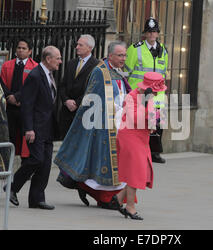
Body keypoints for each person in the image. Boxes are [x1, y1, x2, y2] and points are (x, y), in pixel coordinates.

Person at [54, 41, 132, 210]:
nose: (123, 58)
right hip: (102, 125)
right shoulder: (100, 72)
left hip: (119, 124)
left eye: (124, 55)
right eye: (120, 55)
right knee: (103, 162)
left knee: (119, 162)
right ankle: (103, 197)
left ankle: (112, 196)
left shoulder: (119, 72)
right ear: (110, 55)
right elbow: (93, 98)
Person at [7, 46, 61, 210]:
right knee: (37, 159)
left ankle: (37, 199)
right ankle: (12, 187)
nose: (60, 61)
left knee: (45, 165)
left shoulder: (49, 74)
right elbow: (27, 105)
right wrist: (29, 129)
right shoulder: (35, 75)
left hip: (48, 127)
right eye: (57, 58)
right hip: (36, 127)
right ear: (48, 59)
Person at [116, 72, 166, 220]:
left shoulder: (150, 98)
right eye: (156, 90)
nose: (158, 93)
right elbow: (134, 119)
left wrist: (155, 119)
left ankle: (118, 199)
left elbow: (155, 120)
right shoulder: (131, 96)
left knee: (140, 170)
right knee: (136, 172)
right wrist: (147, 108)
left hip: (142, 138)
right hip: (129, 136)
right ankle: (130, 207)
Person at [124, 17, 168, 164]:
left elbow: (163, 72)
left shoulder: (164, 50)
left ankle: (155, 153)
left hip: (158, 95)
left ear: (158, 34)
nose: (151, 35)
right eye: (149, 32)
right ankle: (142, 151)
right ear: (145, 34)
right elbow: (126, 73)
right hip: (140, 94)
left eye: (154, 32)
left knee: (158, 124)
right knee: (141, 124)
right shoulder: (134, 49)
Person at [0, 39, 38, 163]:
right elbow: (2, 83)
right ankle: (7, 163)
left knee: (24, 136)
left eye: (24, 48)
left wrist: (17, 97)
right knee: (9, 135)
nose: (20, 50)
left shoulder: (34, 67)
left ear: (30, 51)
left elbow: (31, 86)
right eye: (19, 48)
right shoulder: (7, 65)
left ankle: (25, 163)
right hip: (10, 107)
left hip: (24, 106)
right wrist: (9, 97)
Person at [58, 34, 99, 139]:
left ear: (89, 48)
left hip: (83, 111)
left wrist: (76, 103)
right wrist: (66, 100)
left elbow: (93, 89)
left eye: (80, 45)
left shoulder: (96, 66)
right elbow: (63, 85)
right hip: (67, 111)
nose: (77, 47)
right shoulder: (71, 63)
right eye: (77, 45)